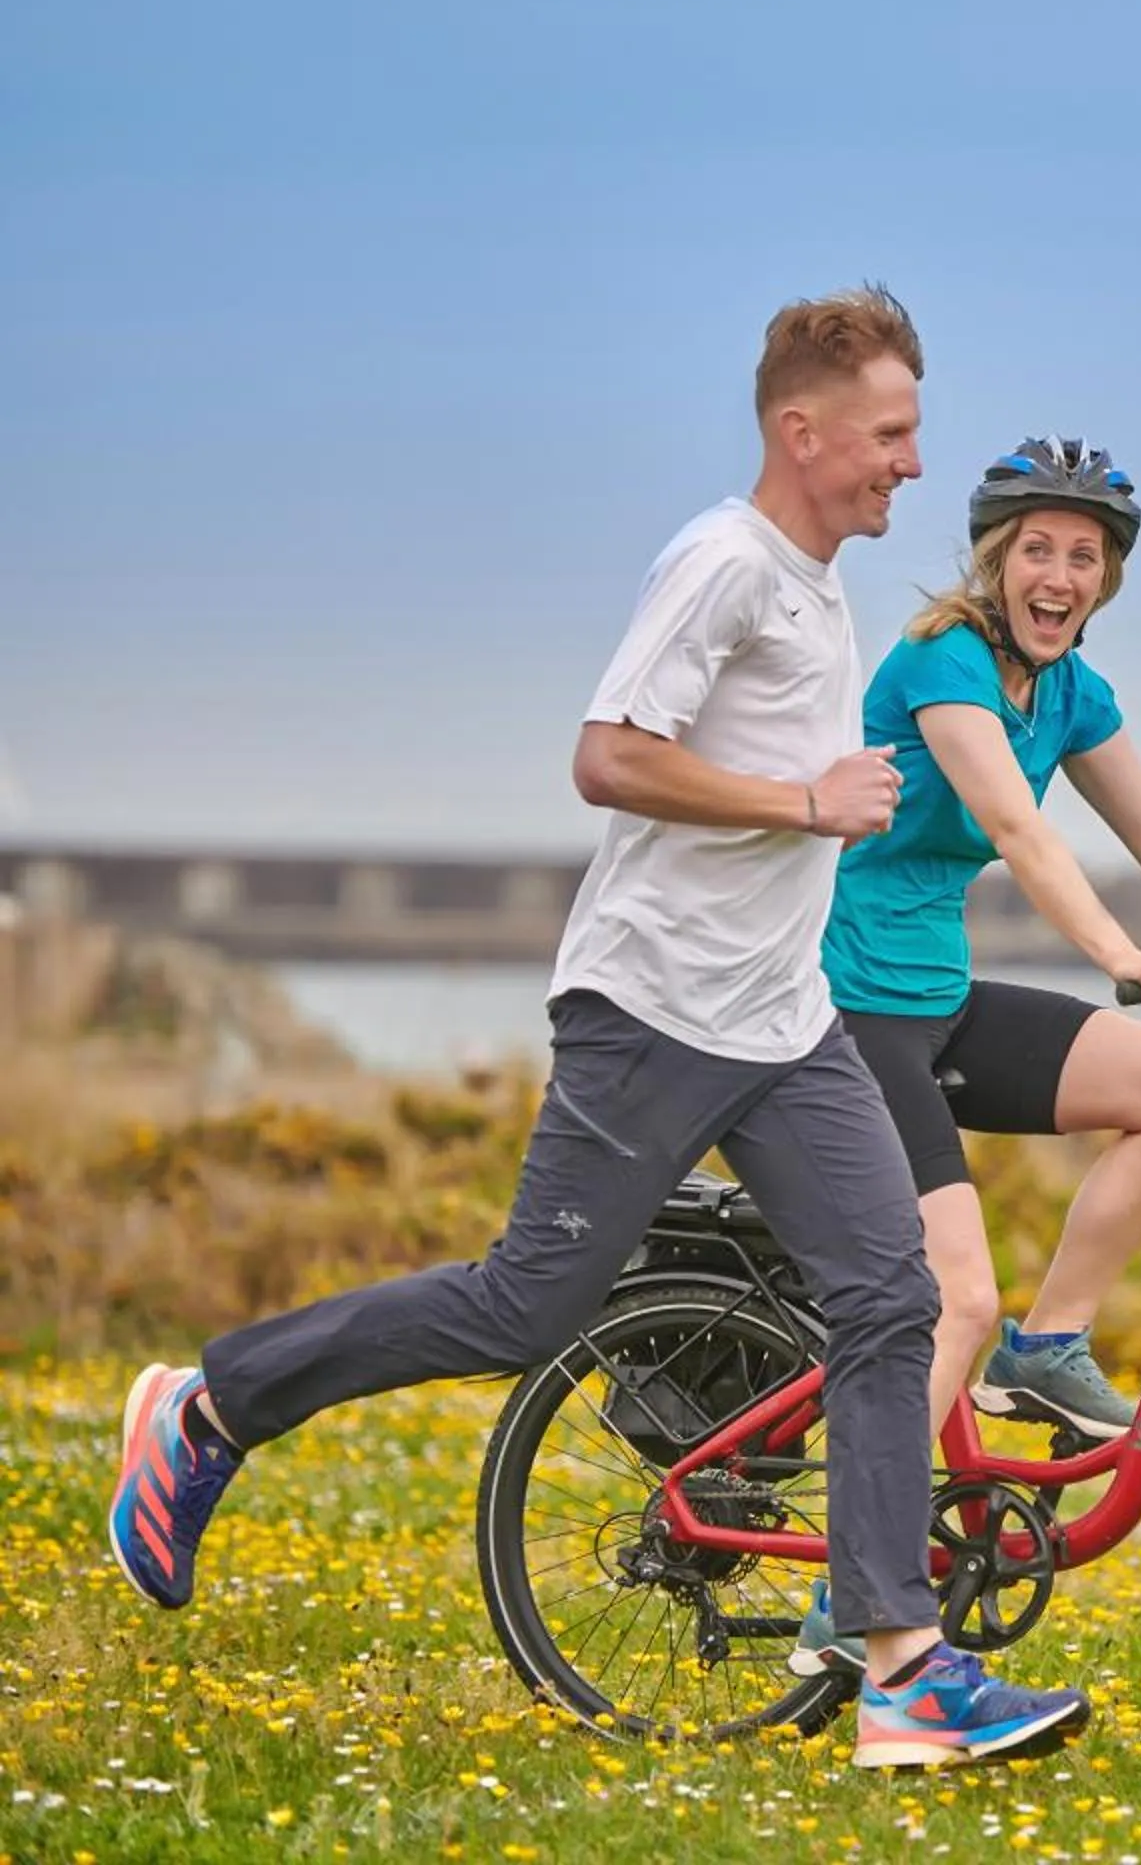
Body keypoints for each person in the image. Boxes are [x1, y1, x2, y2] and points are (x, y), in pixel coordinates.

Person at [107, 287, 1088, 1770]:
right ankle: (208, 1408)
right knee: (523, 1309)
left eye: (913, 435)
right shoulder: (723, 564)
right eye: (890, 435)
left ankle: (902, 1670)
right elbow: (608, 757)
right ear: (800, 430)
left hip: (782, 1020)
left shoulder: (819, 591)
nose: (908, 463)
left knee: (896, 1303)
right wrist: (803, 802)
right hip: (651, 1011)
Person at [781, 437, 1141, 1675]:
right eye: (1038, 550)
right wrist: (1123, 956)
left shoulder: (1069, 691)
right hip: (843, 1008)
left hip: (933, 996)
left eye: (1084, 557)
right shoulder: (943, 660)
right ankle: (859, 1595)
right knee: (950, 1293)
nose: (1059, 575)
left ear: (1104, 582)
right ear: (998, 561)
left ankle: (1046, 1353)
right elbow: (1015, 825)